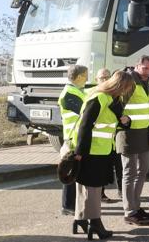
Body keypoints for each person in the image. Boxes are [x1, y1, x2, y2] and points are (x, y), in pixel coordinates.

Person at [71, 70, 134, 240]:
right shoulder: (99, 98)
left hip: (102, 149)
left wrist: (126, 121)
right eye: (126, 88)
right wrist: (79, 153)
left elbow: (118, 121)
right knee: (93, 189)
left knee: (85, 186)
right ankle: (95, 223)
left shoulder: (113, 100)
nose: (126, 92)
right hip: (91, 151)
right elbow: (85, 126)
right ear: (119, 85)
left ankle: (80, 219)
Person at [116, 55, 149, 226]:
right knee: (129, 173)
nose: (147, 71)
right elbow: (115, 102)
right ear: (137, 66)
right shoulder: (129, 80)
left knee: (143, 170)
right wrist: (122, 118)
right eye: (144, 68)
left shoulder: (146, 82)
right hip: (129, 135)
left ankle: (136, 206)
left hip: (143, 133)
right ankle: (129, 212)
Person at [58, 64, 88, 216]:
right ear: (80, 76)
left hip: (74, 137)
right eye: (86, 75)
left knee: (75, 170)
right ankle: (67, 205)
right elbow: (85, 111)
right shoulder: (70, 93)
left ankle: (70, 204)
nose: (88, 77)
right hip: (72, 138)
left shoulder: (77, 91)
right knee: (71, 171)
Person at [92, 69, 123, 204]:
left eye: (107, 77)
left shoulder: (115, 94)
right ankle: (101, 194)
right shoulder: (94, 94)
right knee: (102, 169)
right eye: (101, 78)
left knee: (119, 166)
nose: (105, 80)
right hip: (99, 140)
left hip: (114, 137)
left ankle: (122, 191)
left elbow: (119, 113)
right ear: (96, 80)